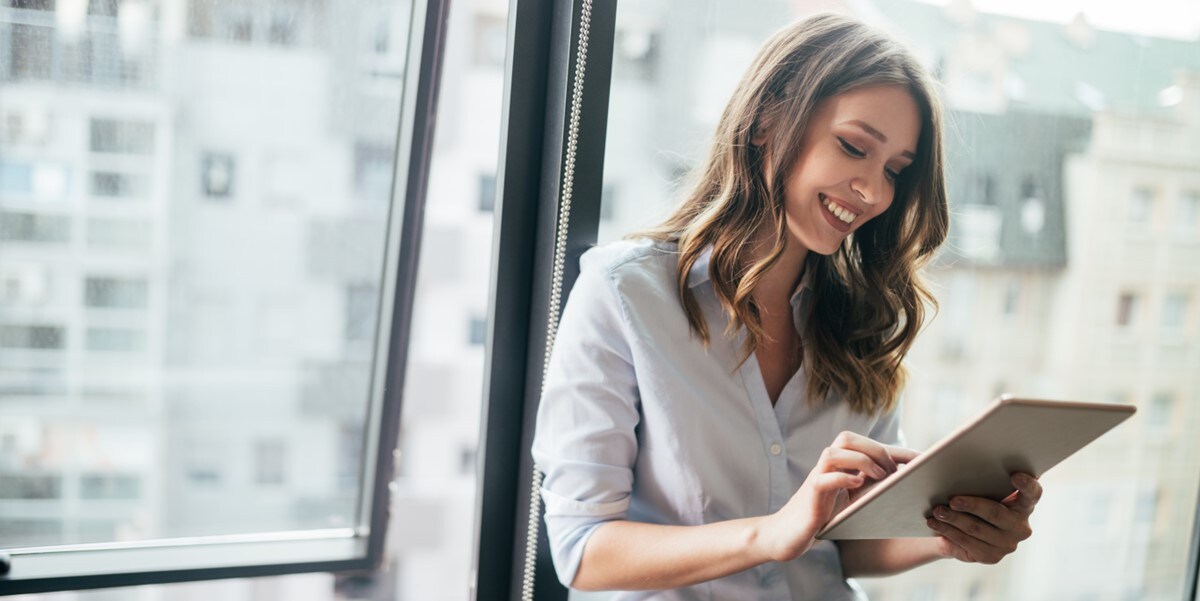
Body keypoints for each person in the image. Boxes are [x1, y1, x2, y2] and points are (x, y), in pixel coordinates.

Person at [531, 12, 1042, 600]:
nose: (874, 192)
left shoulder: (862, 325)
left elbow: (845, 542)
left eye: (895, 171)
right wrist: (771, 533)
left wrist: (952, 534)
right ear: (768, 120)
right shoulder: (624, 295)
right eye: (854, 147)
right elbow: (583, 549)